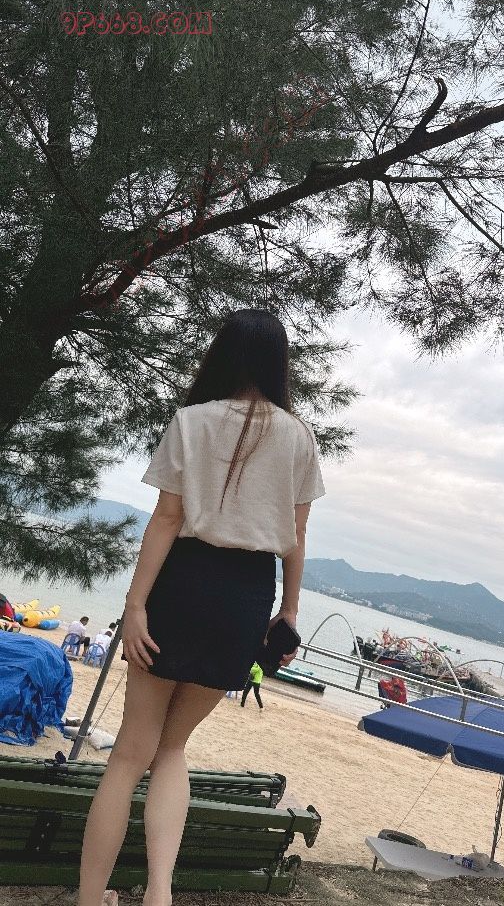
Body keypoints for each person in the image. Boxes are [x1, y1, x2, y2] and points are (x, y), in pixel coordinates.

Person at [77, 308, 326, 906]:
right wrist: (289, 613)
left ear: (224, 356)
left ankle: (90, 898)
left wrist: (135, 604)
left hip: (182, 581)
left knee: (129, 754)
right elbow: (295, 537)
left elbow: (166, 520)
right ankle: (159, 893)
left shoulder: (192, 421)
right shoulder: (299, 438)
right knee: (172, 749)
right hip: (245, 596)